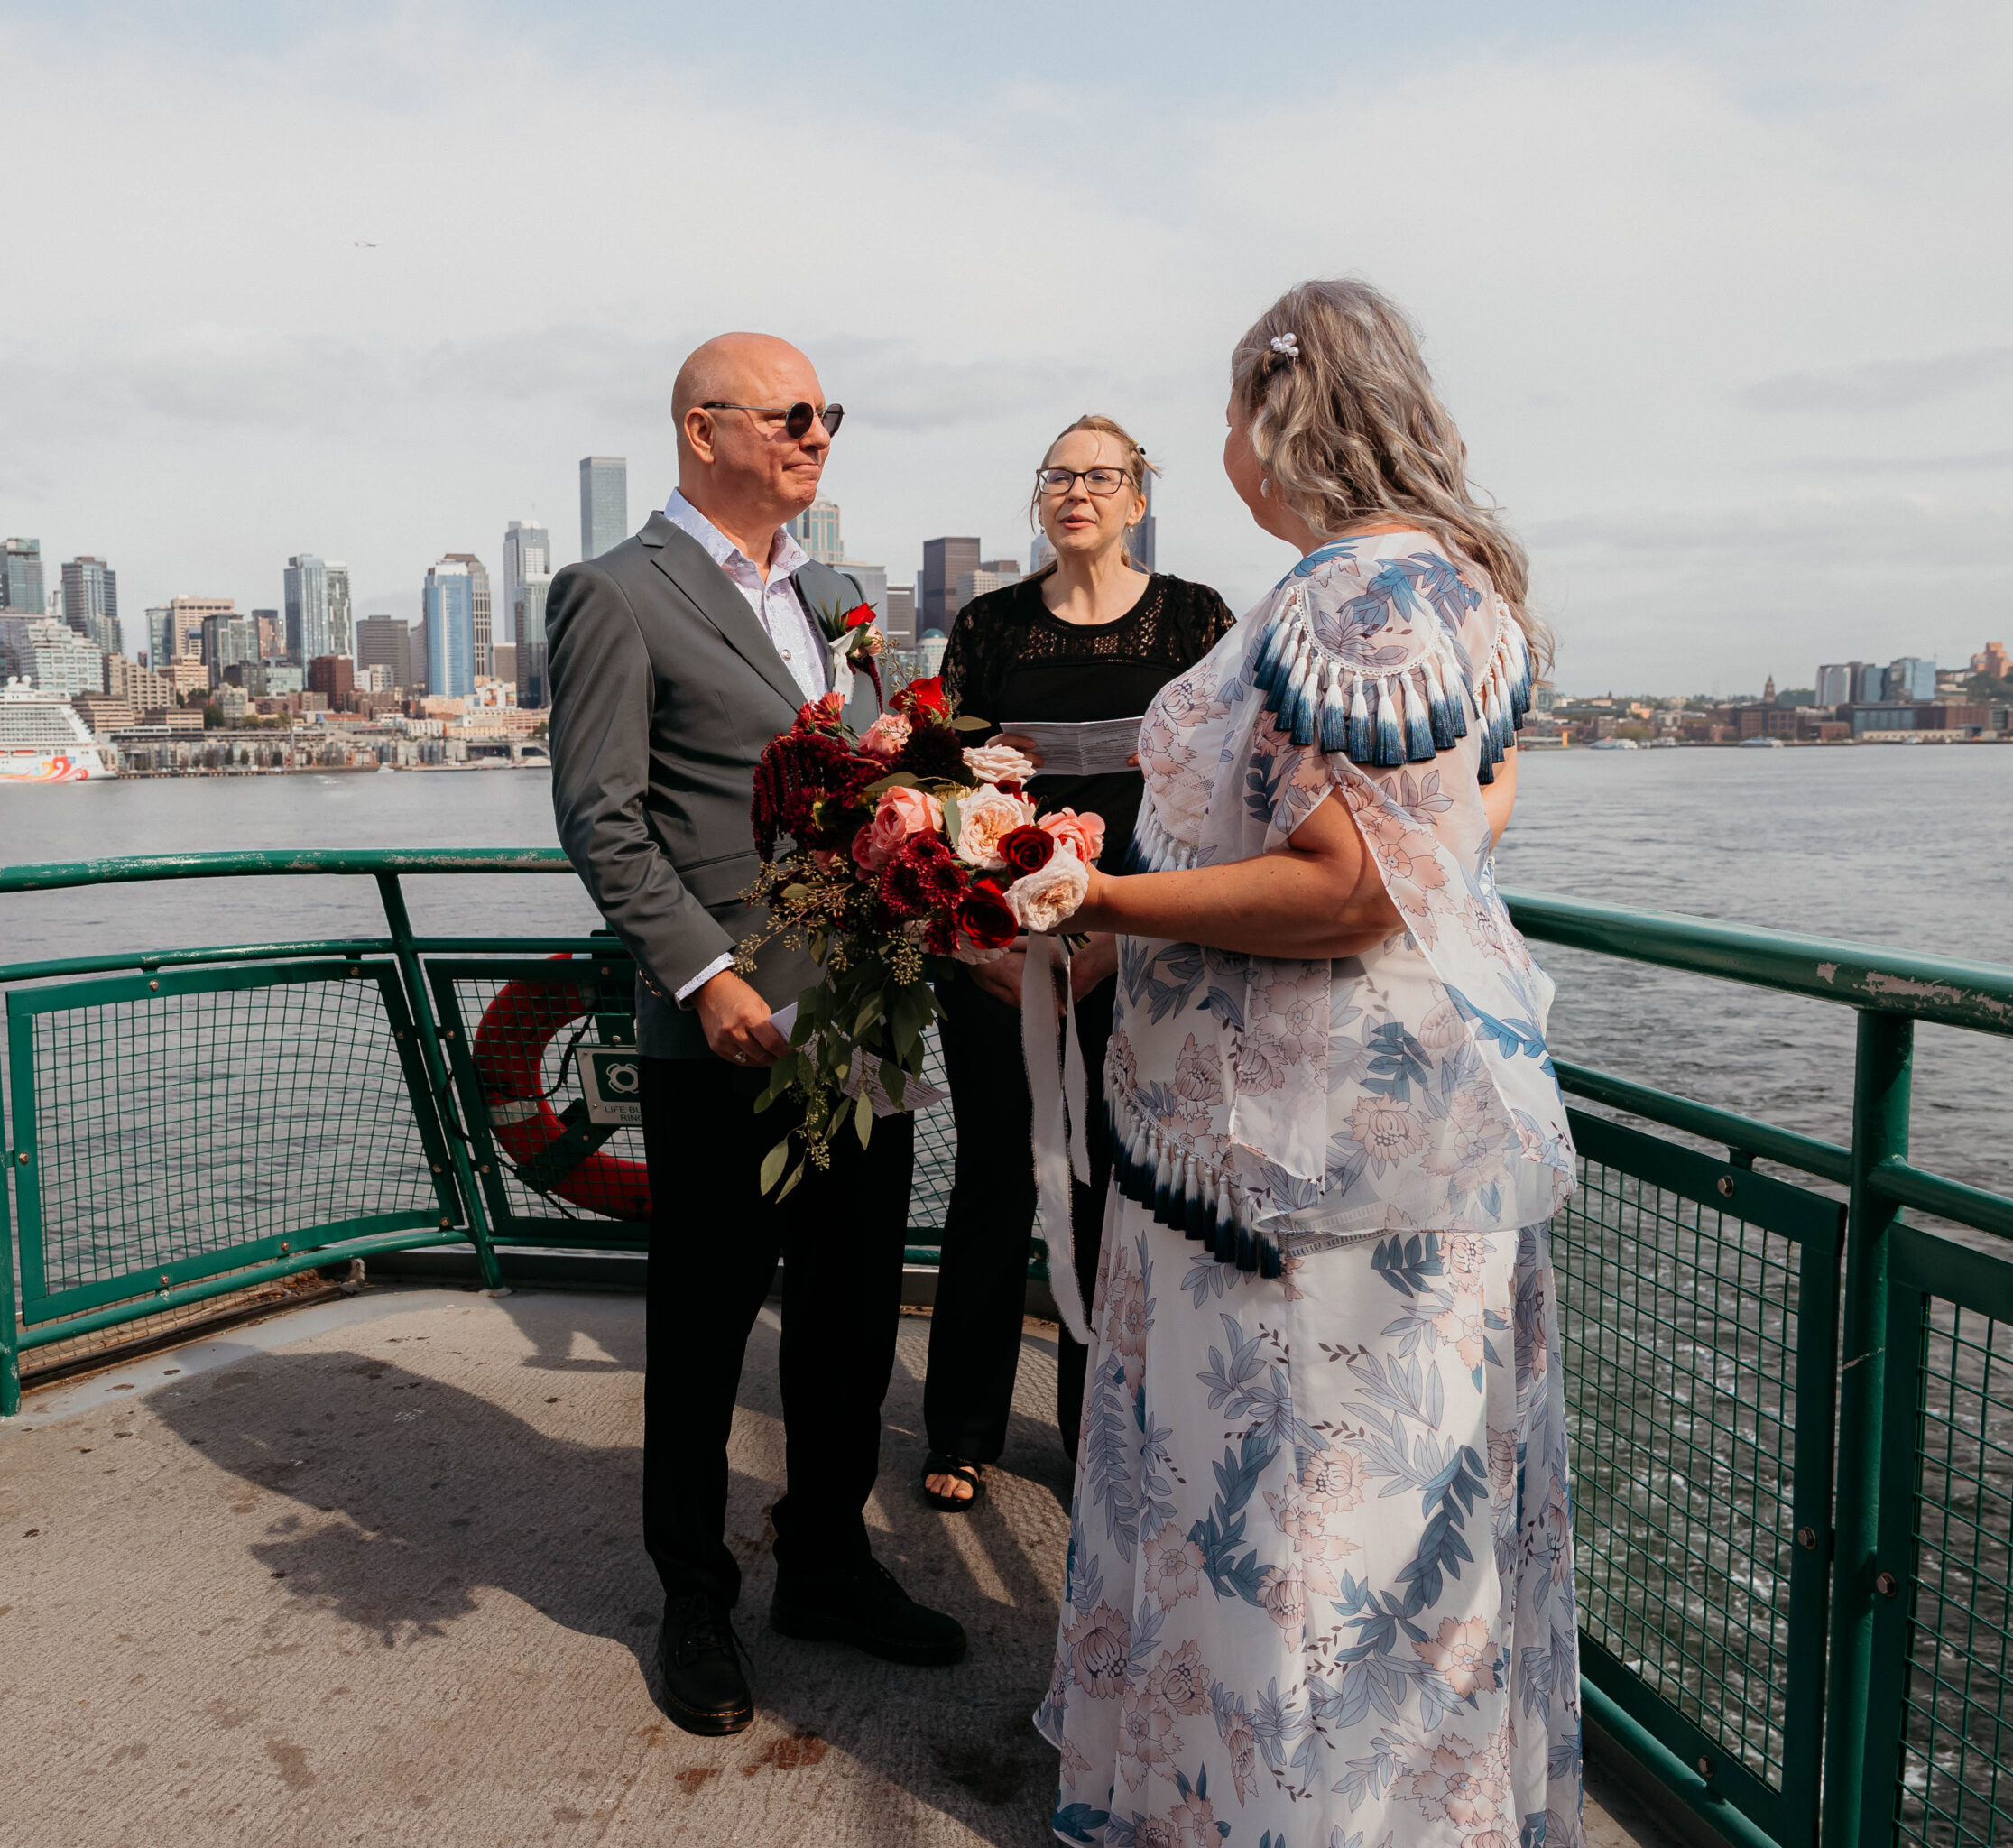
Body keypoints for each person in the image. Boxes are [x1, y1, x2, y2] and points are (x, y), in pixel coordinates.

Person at [1034, 282, 1585, 1845]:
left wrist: (1105, 895)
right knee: (1381, 1544)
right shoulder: (1442, 586)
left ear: (1281, 424)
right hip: (1342, 1163)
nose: (1218, 448)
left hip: (1299, 1189)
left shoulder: (1356, 595)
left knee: (1303, 1538)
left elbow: (1348, 885)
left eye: (1226, 417)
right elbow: (1465, 825)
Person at [548, 331, 965, 1742]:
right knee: (706, 1321)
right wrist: (707, 977)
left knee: (851, 1312)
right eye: (793, 414)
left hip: (861, 1010)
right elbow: (604, 818)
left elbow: (878, 772)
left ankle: (830, 1567)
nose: (818, 435)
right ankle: (695, 1597)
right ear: (703, 427)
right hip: (722, 1028)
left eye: (828, 413)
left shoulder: (839, 593)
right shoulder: (614, 595)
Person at [923, 416, 1232, 1511]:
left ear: (1138, 497)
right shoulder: (989, 625)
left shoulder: (1196, 619)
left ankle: (1089, 1427)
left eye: (1102, 477)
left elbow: (1219, 796)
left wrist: (1120, 933)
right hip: (1000, 954)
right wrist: (988, 939)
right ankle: (959, 1429)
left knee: (1112, 1190)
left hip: (1139, 952)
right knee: (995, 1181)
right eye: (1058, 476)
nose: (1077, 493)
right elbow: (945, 790)